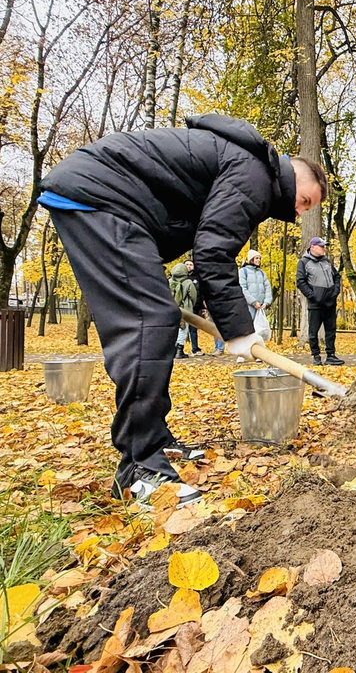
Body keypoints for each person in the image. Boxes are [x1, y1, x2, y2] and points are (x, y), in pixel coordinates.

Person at [38, 114, 327, 506]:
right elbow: (212, 252)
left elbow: (197, 234)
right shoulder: (256, 174)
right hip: (100, 199)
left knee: (158, 317)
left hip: (108, 201)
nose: (298, 212)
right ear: (293, 172)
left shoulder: (243, 164)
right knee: (149, 321)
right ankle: (140, 467)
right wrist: (239, 330)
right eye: (306, 200)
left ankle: (156, 441)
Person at [296, 237, 343, 366]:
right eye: (321, 246)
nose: (324, 248)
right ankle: (316, 356)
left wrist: (335, 291)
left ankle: (331, 355)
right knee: (313, 331)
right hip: (316, 303)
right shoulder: (304, 262)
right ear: (313, 247)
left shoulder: (327, 262)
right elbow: (300, 281)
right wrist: (312, 296)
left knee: (331, 330)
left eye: (324, 246)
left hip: (330, 302)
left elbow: (337, 276)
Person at [169, 263, 197, 359]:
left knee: (174, 330)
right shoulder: (188, 282)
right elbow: (193, 296)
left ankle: (173, 350)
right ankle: (179, 350)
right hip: (185, 310)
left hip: (172, 309)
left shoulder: (169, 282)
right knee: (183, 330)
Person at [239, 249, 273, 321]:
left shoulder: (262, 273)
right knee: (249, 328)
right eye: (256, 258)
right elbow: (243, 288)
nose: (259, 260)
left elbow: (268, 288)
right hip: (248, 306)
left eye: (259, 258)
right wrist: (253, 302)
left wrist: (266, 302)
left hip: (261, 307)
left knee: (261, 330)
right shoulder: (243, 271)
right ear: (251, 259)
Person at [184, 260, 204, 355]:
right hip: (183, 307)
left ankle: (195, 348)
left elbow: (201, 293)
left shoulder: (198, 278)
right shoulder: (179, 278)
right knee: (182, 329)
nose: (189, 266)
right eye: (187, 264)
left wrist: (201, 306)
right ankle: (179, 349)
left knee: (193, 329)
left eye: (191, 264)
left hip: (194, 307)